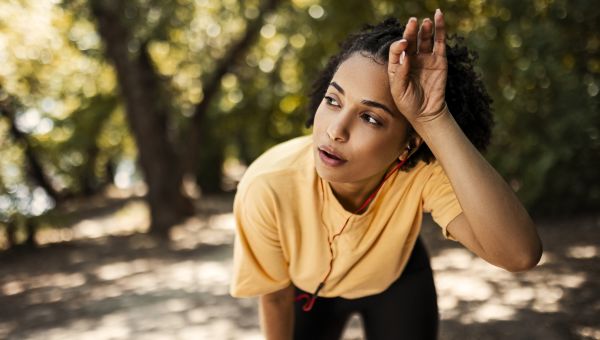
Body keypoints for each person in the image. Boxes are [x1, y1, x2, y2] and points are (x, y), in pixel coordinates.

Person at [229, 9, 542, 340]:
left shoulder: (424, 174)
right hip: (308, 294)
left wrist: (434, 119)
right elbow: (275, 298)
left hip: (397, 282)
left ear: (409, 142)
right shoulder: (267, 186)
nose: (335, 131)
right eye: (333, 100)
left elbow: (519, 254)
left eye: (371, 118)